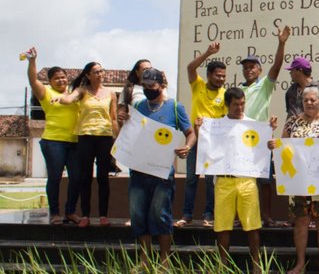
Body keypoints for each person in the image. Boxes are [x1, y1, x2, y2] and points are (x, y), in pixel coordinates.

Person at [268, 86, 319, 274]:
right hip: (299, 182)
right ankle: (300, 263)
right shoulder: (293, 122)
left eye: (313, 100)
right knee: (300, 221)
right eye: (306, 100)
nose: (309, 103)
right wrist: (274, 144)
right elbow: (284, 148)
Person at [121, 68, 195, 268]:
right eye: (144, 87)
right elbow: (130, 134)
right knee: (138, 214)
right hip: (138, 170)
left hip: (162, 173)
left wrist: (186, 148)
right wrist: (123, 122)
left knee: (160, 214)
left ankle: (165, 261)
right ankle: (144, 260)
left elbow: (191, 133)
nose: (148, 90)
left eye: (151, 86)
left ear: (162, 86)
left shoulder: (174, 107)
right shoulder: (137, 106)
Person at [214, 88, 276, 273]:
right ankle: (222, 264)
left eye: (242, 104)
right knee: (223, 226)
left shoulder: (253, 125)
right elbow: (207, 147)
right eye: (235, 104)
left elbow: (260, 150)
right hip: (224, 181)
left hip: (247, 180)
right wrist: (198, 128)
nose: (240, 108)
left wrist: (269, 136)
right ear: (227, 104)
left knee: (252, 225)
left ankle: (256, 264)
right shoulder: (216, 125)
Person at [56, 61, 118, 228]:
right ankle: (85, 215)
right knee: (86, 177)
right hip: (85, 137)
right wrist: (61, 98)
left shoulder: (111, 93)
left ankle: (103, 215)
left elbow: (113, 118)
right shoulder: (82, 91)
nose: (100, 74)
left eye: (101, 71)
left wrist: (117, 138)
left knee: (103, 177)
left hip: (104, 137)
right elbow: (69, 99)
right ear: (88, 75)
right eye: (96, 72)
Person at [239, 26, 290, 226]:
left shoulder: (265, 86)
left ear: (259, 69)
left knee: (265, 180)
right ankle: (242, 216)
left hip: (260, 140)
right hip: (241, 141)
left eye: (252, 66)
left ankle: (267, 216)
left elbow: (277, 65)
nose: (248, 69)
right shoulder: (237, 90)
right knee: (241, 179)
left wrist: (281, 43)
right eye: (245, 67)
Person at [24, 47, 81, 225]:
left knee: (76, 177)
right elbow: (33, 80)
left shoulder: (74, 95)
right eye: (56, 78)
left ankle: (70, 211)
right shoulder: (46, 93)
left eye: (63, 77)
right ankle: (55, 212)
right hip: (53, 142)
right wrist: (32, 61)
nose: (60, 80)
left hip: (74, 142)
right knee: (55, 177)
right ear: (50, 81)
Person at [179, 42, 228, 227]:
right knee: (191, 178)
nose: (221, 79)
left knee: (209, 180)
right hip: (195, 141)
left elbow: (225, 119)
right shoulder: (198, 85)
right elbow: (190, 67)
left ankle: (209, 214)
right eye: (218, 75)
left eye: (223, 76)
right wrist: (208, 52)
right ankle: (187, 214)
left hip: (213, 143)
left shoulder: (225, 94)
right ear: (208, 75)